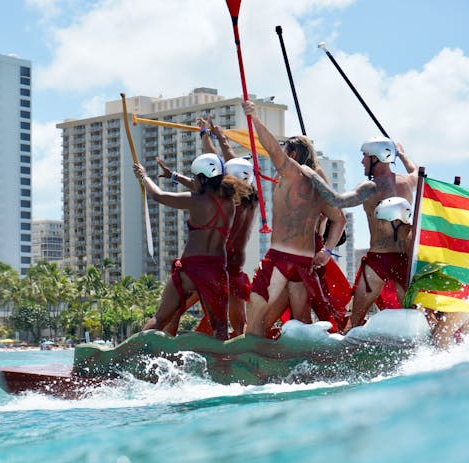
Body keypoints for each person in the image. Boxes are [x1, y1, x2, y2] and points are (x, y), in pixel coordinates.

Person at [241, 100, 377, 339]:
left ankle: (248, 361)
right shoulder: (318, 189)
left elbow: (271, 147)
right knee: (302, 323)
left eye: (285, 153)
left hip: (280, 259)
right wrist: (327, 251)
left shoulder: (291, 173)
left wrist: (254, 118)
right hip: (305, 263)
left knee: (254, 321)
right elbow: (340, 219)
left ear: (292, 155)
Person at [157, 116, 258, 336]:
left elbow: (206, 184)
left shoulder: (228, 198)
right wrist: (218, 137)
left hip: (215, 268)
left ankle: (164, 347)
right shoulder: (250, 199)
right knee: (238, 325)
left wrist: (206, 134)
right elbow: (208, 184)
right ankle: (237, 356)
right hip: (232, 268)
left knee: (174, 312)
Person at [133, 153, 248, 341]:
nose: (193, 180)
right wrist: (174, 176)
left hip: (191, 269)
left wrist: (144, 176)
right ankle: (222, 365)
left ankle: (131, 355)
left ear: (202, 179)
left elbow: (158, 195)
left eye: (195, 177)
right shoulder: (230, 202)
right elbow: (203, 187)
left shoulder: (196, 201)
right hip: (216, 271)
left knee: (160, 319)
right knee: (219, 328)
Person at [346, 137, 419, 331]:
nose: (362, 161)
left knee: (355, 322)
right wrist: (402, 155)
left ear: (377, 157)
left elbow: (340, 202)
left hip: (379, 260)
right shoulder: (408, 182)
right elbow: (417, 173)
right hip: (405, 259)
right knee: (413, 320)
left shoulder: (367, 188)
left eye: (365, 156)